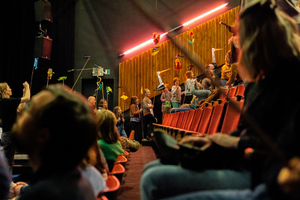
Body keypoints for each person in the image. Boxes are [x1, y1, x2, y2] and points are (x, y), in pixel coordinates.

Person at [140, 0, 300, 199]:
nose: (236, 45)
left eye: (239, 38)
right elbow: (245, 131)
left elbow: (271, 145)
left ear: (256, 42)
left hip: (258, 173)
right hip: (243, 162)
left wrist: (227, 142)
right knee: (152, 170)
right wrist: (211, 140)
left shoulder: (289, 82)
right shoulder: (259, 84)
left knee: (153, 180)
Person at [11, 84, 96, 199]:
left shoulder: (41, 195)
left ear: (43, 135)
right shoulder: (81, 183)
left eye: (31, 111)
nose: (22, 115)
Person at [0, 81, 30, 170]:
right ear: (4, 90)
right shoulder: (5, 101)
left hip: (9, 134)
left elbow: (20, 109)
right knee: (8, 160)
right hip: (9, 134)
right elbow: (27, 98)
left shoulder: (7, 102)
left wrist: (24, 92)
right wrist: (27, 87)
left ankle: (9, 181)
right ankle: (7, 182)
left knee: (10, 160)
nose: (11, 89)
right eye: (9, 87)